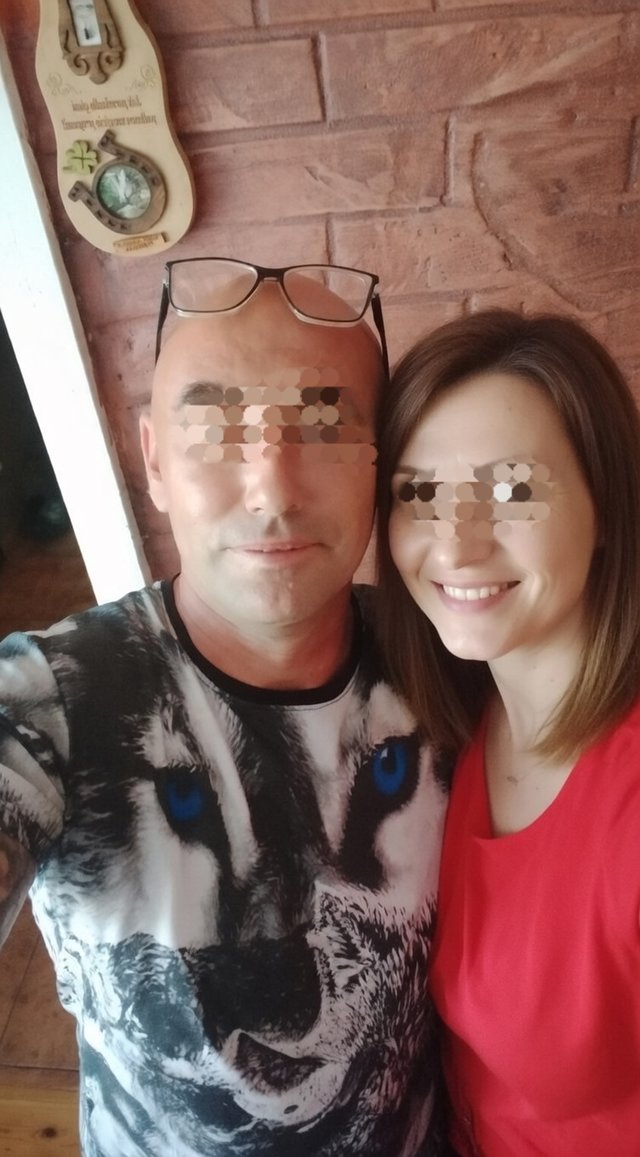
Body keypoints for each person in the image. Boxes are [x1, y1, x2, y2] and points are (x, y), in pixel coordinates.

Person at [0, 258, 449, 1157]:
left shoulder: (446, 660)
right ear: (154, 460)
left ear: (380, 464)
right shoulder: (56, 695)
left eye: (323, 424)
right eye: (213, 426)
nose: (271, 489)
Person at [375, 308, 640, 1156]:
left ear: (609, 504)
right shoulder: (463, 726)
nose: (457, 544)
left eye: (513, 489)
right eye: (419, 492)